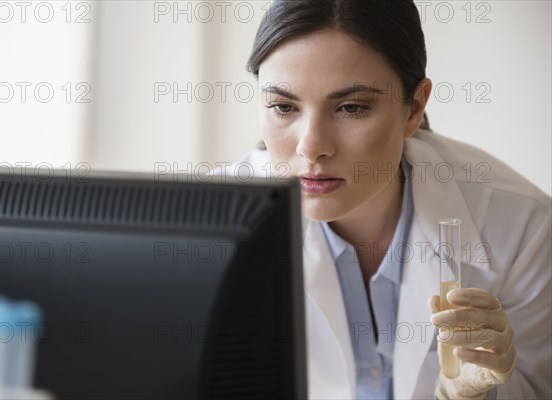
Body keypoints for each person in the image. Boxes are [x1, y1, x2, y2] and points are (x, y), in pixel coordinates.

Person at [227, 0, 552, 398]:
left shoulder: (522, 226)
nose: (311, 148)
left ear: (413, 108)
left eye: (350, 107)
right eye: (283, 106)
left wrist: (468, 394)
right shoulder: (211, 227)